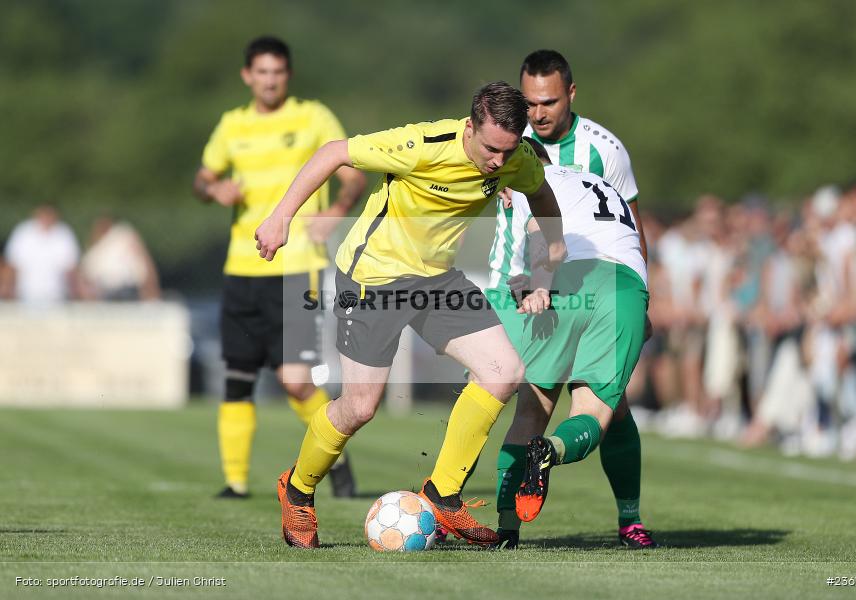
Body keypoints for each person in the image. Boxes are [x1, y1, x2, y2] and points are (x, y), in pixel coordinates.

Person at [255, 81, 566, 548]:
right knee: (360, 407)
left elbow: (542, 197)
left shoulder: (515, 158)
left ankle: (443, 495)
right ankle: (297, 490)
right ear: (469, 126)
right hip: (374, 278)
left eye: (507, 151)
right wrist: (281, 217)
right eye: (490, 149)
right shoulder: (422, 145)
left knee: (504, 371)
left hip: (437, 280)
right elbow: (333, 151)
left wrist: (549, 253)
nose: (498, 162)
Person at [486, 50, 656, 549]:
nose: (537, 113)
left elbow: (556, 230)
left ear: (571, 94)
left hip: (557, 280)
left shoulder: (604, 149)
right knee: (599, 408)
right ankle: (574, 481)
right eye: (529, 103)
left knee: (531, 404)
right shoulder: (508, 141)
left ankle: (505, 528)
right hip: (606, 281)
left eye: (548, 102)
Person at [193, 36, 367, 499]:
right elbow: (202, 179)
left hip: (296, 269)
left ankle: (338, 458)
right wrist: (214, 191)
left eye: (278, 72)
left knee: (295, 380)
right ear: (248, 76)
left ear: (287, 75)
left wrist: (336, 211)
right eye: (262, 72)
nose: (270, 80)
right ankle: (234, 482)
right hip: (241, 267)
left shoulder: (312, 117)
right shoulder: (232, 125)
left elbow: (354, 174)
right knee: (238, 378)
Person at [3, 204, 80, 306]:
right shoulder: (23, 232)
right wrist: (8, 290)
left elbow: (71, 268)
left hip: (57, 296)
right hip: (25, 294)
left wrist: (75, 294)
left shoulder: (63, 233)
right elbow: (12, 265)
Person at [78, 216, 161, 301]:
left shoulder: (123, 236)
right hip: (105, 295)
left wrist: (152, 293)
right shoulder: (93, 254)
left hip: (129, 291)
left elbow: (144, 264)